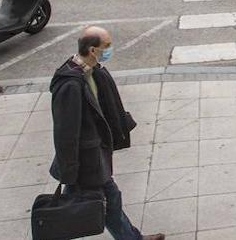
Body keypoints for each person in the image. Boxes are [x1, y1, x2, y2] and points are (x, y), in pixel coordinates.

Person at [49, 26, 163, 240]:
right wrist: (69, 170)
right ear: (92, 50)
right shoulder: (70, 85)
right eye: (107, 46)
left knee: (105, 203)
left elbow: (105, 106)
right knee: (105, 200)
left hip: (95, 152)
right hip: (85, 160)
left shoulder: (92, 72)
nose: (110, 49)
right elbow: (65, 133)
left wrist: (121, 124)